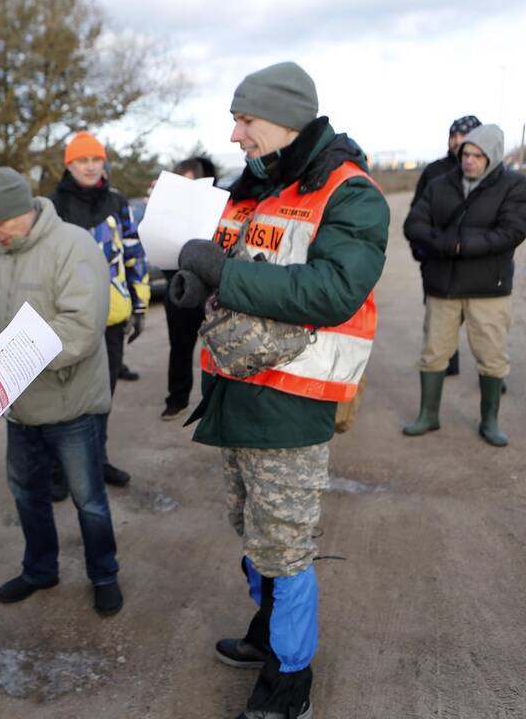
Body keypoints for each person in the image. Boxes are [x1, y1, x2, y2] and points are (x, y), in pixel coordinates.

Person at [170, 62, 388, 719]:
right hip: (235, 390)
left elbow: (332, 290)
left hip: (292, 403)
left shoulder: (351, 195)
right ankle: (269, 634)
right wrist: (192, 287)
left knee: (286, 547)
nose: (234, 135)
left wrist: (224, 274)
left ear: (286, 117)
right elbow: (226, 266)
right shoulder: (246, 190)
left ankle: (290, 683)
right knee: (252, 530)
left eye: (245, 121)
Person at [0, 167, 123, 616]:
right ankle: (39, 569)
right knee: (27, 494)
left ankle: (104, 573)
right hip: (19, 405)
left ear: (23, 210)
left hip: (72, 405)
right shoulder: (0, 252)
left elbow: (81, 329)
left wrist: (10, 349)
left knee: (88, 499)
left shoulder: (73, 246)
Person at [403, 123, 526, 446]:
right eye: (465, 154)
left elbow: (512, 231)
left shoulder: (514, 186)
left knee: (492, 356)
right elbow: (414, 222)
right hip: (443, 287)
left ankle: (490, 422)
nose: (468, 160)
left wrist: (462, 246)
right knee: (433, 354)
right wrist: (441, 243)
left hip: (489, 288)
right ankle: (428, 415)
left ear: (493, 157)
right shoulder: (440, 184)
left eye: (477, 155)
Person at [48, 130, 150, 490]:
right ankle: (60, 471)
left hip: (112, 317)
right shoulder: (53, 205)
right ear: (69, 164)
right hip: (70, 320)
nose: (91, 167)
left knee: (102, 397)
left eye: (96, 159)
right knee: (68, 397)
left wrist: (139, 304)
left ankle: (97, 460)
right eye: (82, 160)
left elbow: (134, 251)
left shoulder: (117, 201)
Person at [409, 115, 483, 376]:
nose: (458, 141)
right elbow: (415, 215)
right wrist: (422, 252)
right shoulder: (434, 171)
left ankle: (492, 373)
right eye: (454, 135)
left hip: (477, 263)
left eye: (464, 135)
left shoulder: (495, 176)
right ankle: (448, 359)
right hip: (439, 260)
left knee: (483, 325)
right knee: (440, 322)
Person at [161, 156, 218, 420]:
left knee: (218, 348)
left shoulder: (221, 208)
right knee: (180, 348)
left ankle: (215, 402)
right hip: (179, 291)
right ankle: (177, 399)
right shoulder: (166, 213)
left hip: (211, 292)